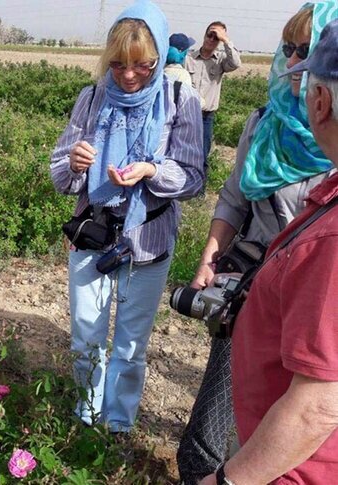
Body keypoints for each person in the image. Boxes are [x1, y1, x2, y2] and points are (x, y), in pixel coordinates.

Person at [177, 4, 338, 483]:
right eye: (287, 49)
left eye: (305, 51)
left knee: (293, 425)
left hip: (310, 304)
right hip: (253, 287)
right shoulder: (265, 122)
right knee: (217, 420)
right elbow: (234, 198)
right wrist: (211, 256)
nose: (292, 63)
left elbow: (318, 405)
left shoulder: (327, 148)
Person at [51, 0, 203, 432]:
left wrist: (153, 171)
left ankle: (117, 423)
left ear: (157, 59)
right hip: (93, 234)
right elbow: (60, 173)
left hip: (147, 238)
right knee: (85, 338)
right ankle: (87, 416)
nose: (129, 75)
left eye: (142, 65)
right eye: (117, 65)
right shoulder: (93, 98)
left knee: (131, 344)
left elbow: (193, 178)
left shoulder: (179, 99)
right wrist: (75, 164)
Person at [185, 21, 241, 173]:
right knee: (182, 150)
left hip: (205, 116)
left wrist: (226, 40)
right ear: (204, 35)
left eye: (216, 37)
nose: (211, 39)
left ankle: (199, 191)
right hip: (186, 114)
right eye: (210, 35)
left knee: (203, 153)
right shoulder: (189, 58)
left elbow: (236, 63)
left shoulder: (221, 60)